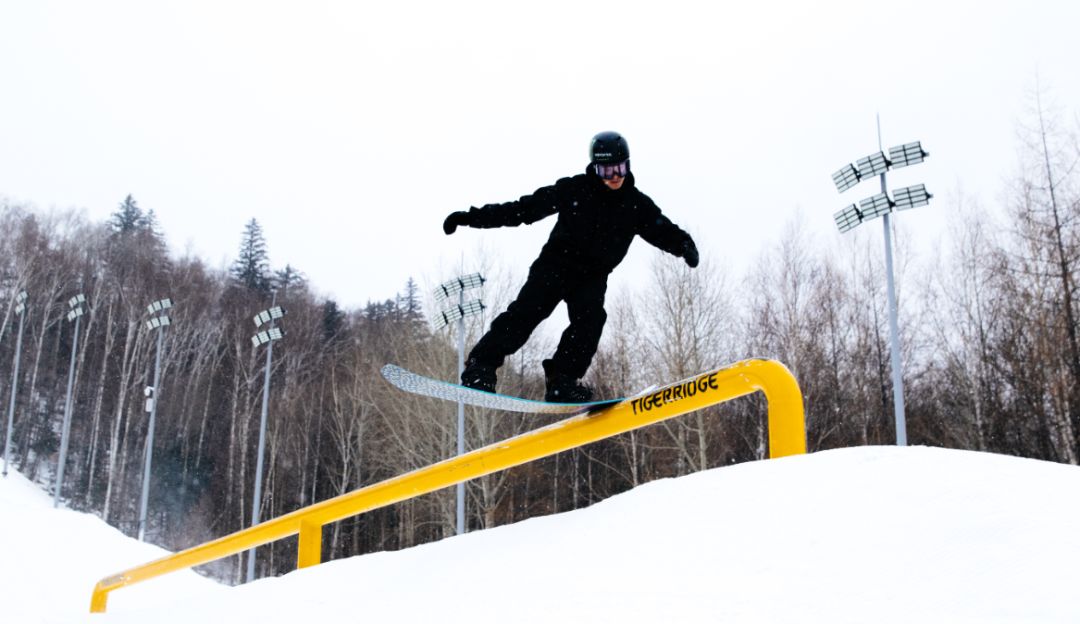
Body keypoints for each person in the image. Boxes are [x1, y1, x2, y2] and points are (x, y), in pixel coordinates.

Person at [442, 131, 699, 402]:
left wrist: (684, 245)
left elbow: (662, 229)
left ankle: (561, 381)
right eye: (607, 170)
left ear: (628, 165)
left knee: (590, 322)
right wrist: (469, 218)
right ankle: (480, 368)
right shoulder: (574, 189)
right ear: (595, 168)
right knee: (525, 315)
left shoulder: (636, 205)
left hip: (592, 277)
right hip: (556, 266)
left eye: (620, 168)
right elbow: (522, 210)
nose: (615, 176)